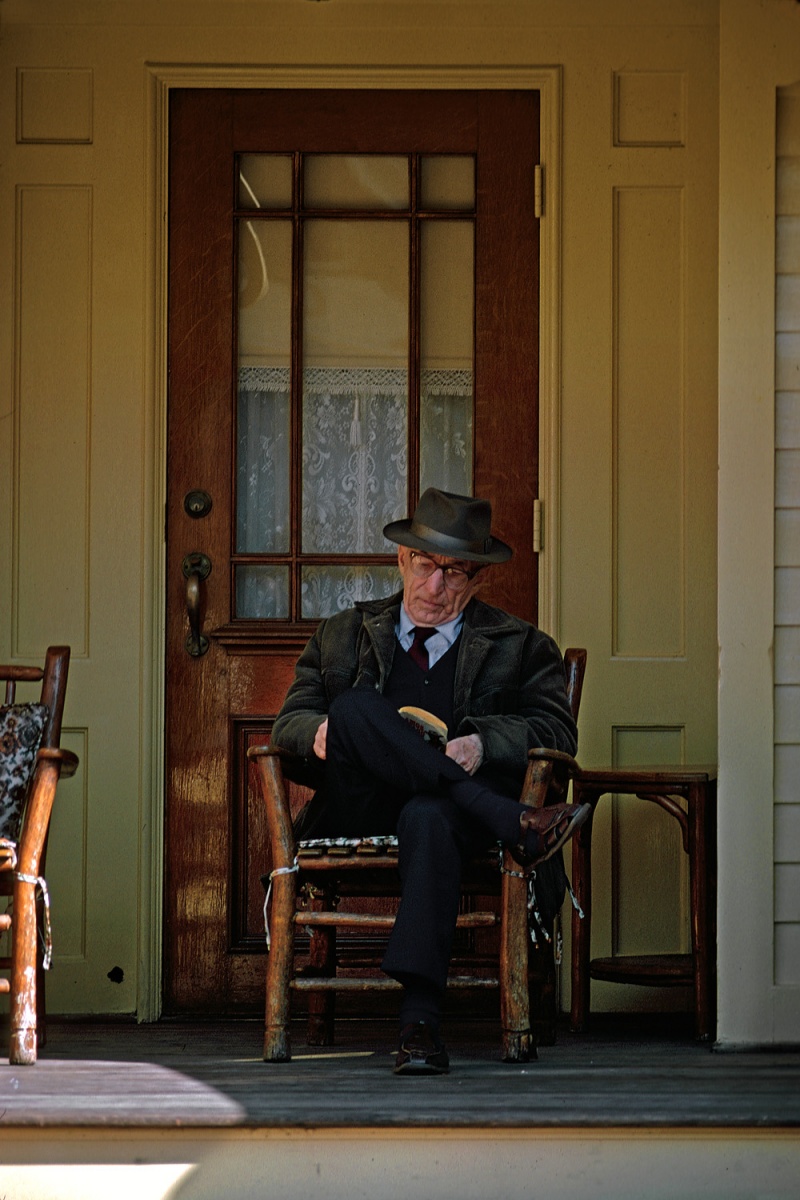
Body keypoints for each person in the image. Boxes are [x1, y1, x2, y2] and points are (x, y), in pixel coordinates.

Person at [271, 487, 589, 1075]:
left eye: (455, 572)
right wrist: (318, 733)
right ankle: (509, 820)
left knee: (429, 813)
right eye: (425, 566)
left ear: (478, 580)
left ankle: (419, 1026)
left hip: (450, 821)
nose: (435, 587)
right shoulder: (344, 633)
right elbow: (288, 721)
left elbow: (556, 732)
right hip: (359, 802)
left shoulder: (522, 646)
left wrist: (482, 743)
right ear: (401, 561)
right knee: (355, 708)